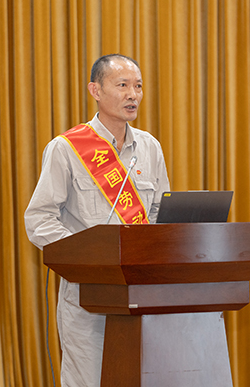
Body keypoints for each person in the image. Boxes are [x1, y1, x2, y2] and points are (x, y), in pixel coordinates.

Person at [24, 54, 170, 386]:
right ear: (96, 90)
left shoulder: (149, 148)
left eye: (138, 86)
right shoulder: (66, 148)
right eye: (122, 85)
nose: (132, 94)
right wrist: (85, 258)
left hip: (141, 291)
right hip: (87, 293)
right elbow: (39, 219)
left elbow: (161, 215)